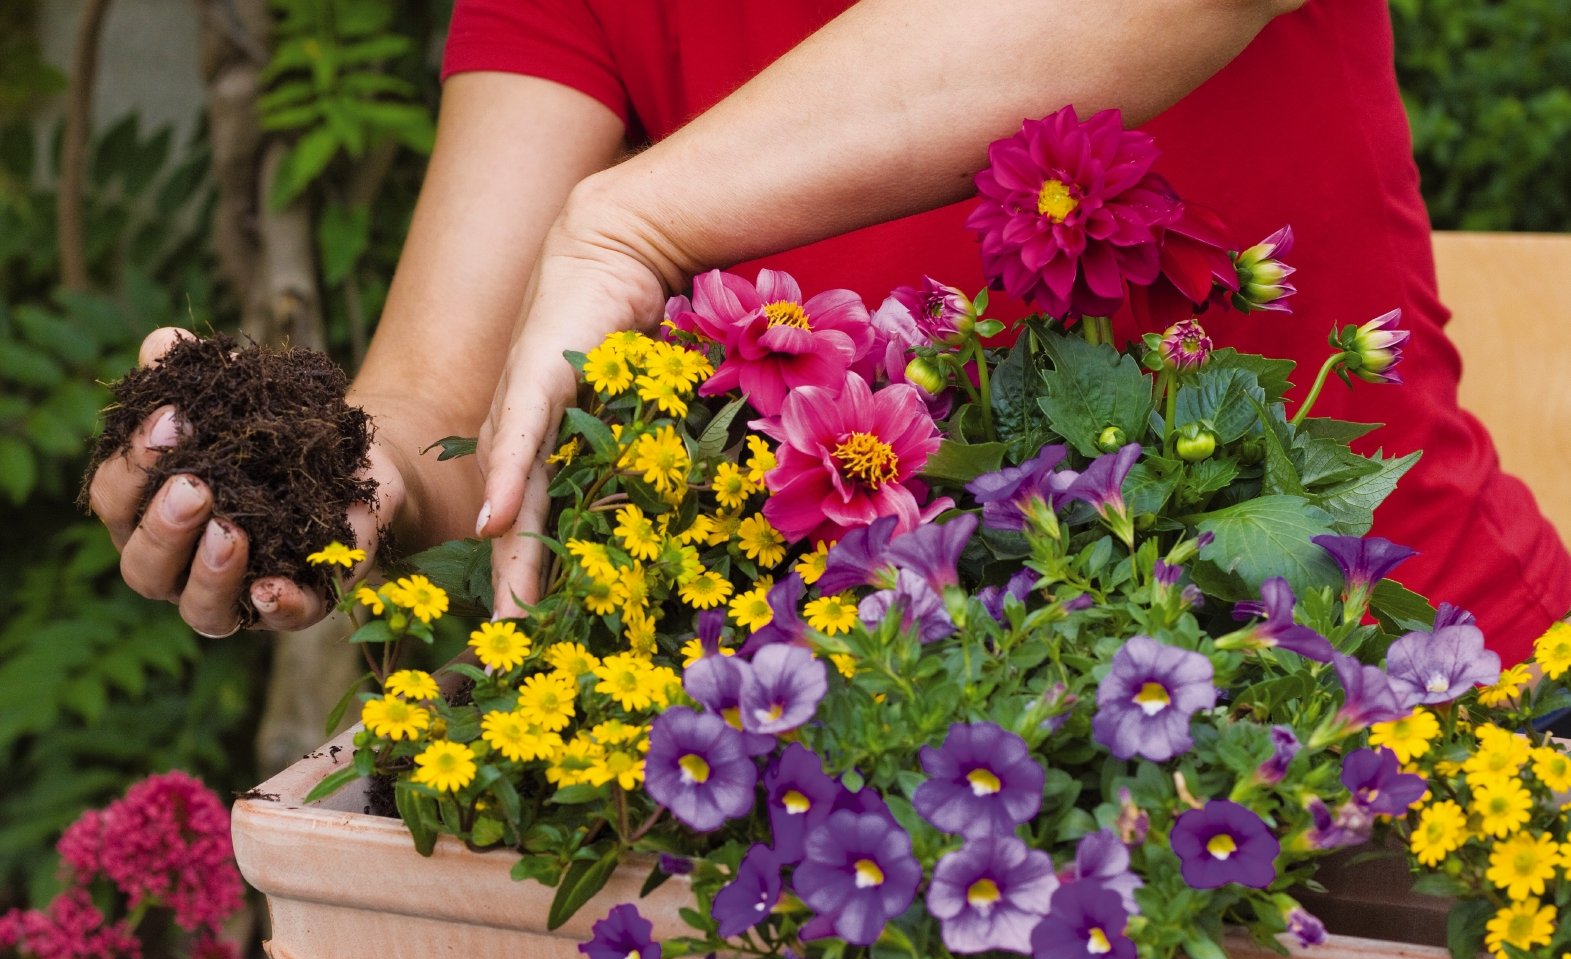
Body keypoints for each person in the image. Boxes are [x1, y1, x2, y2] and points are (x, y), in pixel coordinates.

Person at [87, 0, 1571, 666]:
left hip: (1394, 705)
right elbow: (432, 393)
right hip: (926, 800)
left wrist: (636, 220)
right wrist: (339, 486)